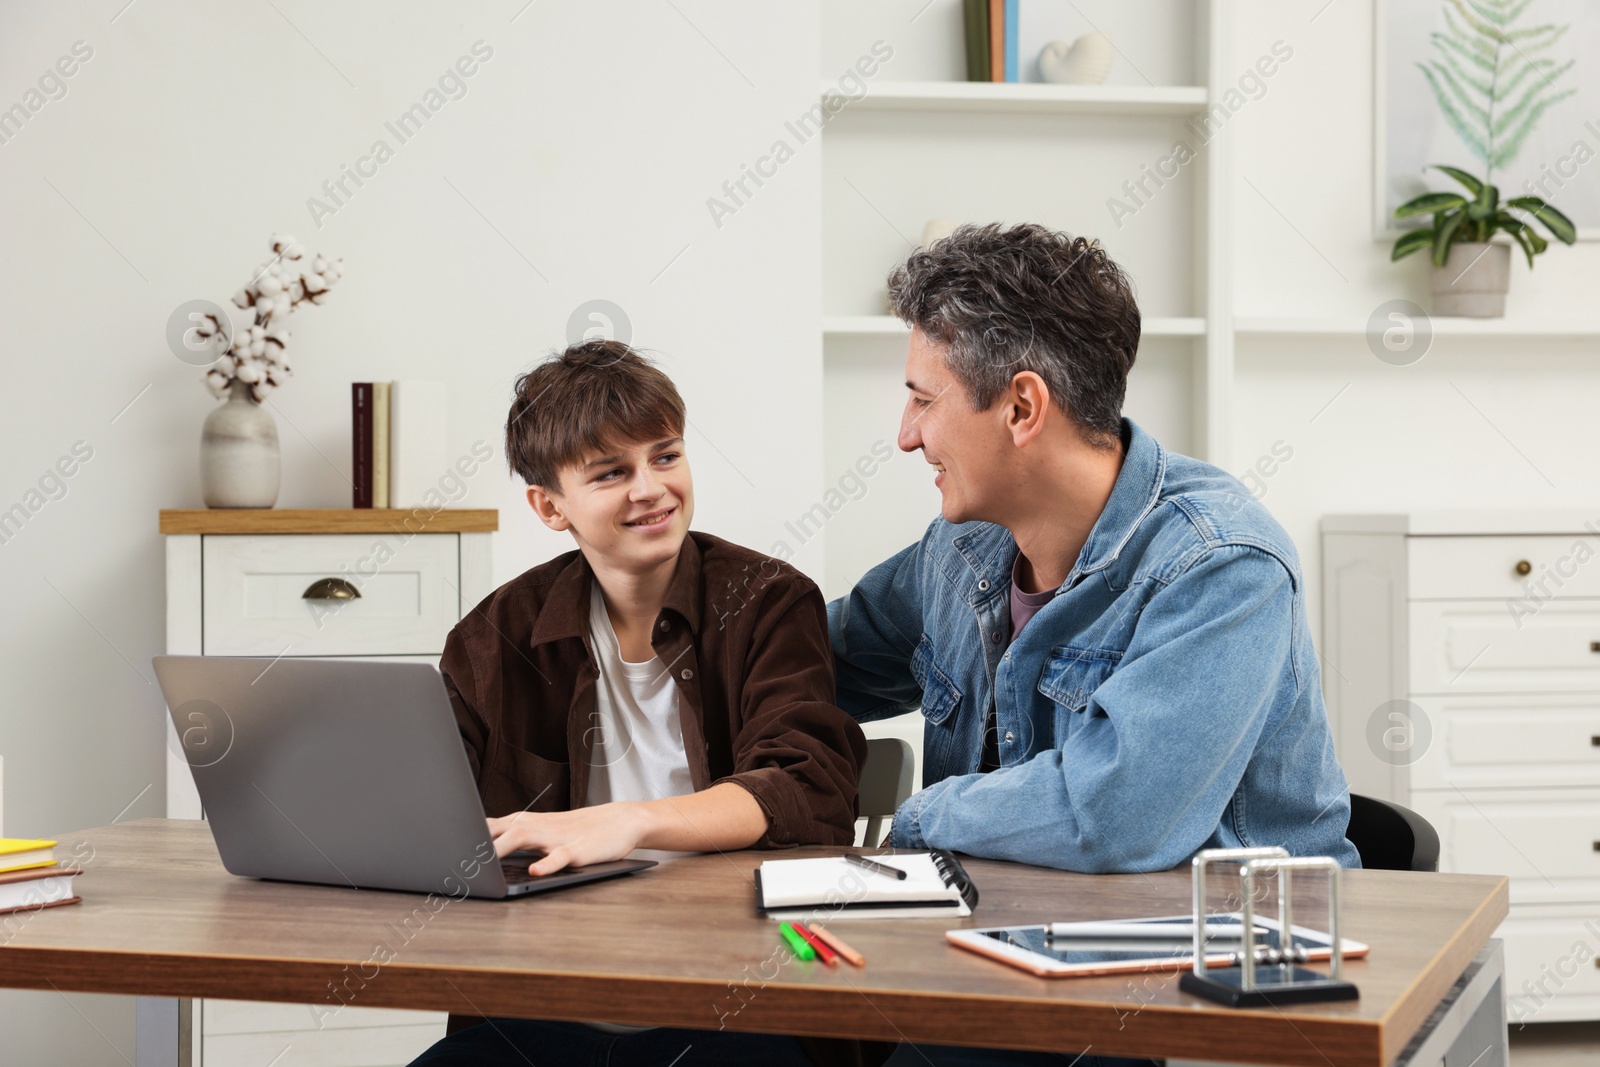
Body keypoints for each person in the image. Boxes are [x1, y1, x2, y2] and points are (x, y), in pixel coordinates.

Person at [829, 223, 1358, 1066]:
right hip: (1012, 945)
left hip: (1214, 976)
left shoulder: (1219, 565)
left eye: (924, 400)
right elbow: (817, 661)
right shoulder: (963, 545)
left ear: (1022, 407)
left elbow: (1112, 812)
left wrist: (921, 816)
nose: (904, 435)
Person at [410, 340, 867, 1067]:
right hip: (544, 994)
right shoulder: (495, 636)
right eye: (611, 472)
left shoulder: (769, 601)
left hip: (737, 991)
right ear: (549, 505)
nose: (651, 487)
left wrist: (627, 822)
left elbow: (808, 788)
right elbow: (436, 825)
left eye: (665, 455)